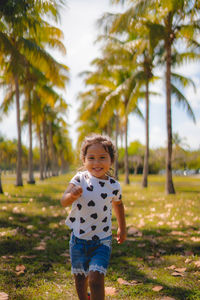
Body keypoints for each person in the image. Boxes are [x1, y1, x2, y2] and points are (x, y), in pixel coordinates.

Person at [61, 134, 126, 300]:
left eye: (102, 158)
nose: (96, 163)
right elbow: (63, 201)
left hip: (102, 241)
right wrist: (72, 195)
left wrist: (122, 227)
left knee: (96, 279)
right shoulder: (79, 179)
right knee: (80, 279)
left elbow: (118, 204)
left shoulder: (113, 185)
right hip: (78, 240)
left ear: (111, 160)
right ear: (84, 160)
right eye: (91, 158)